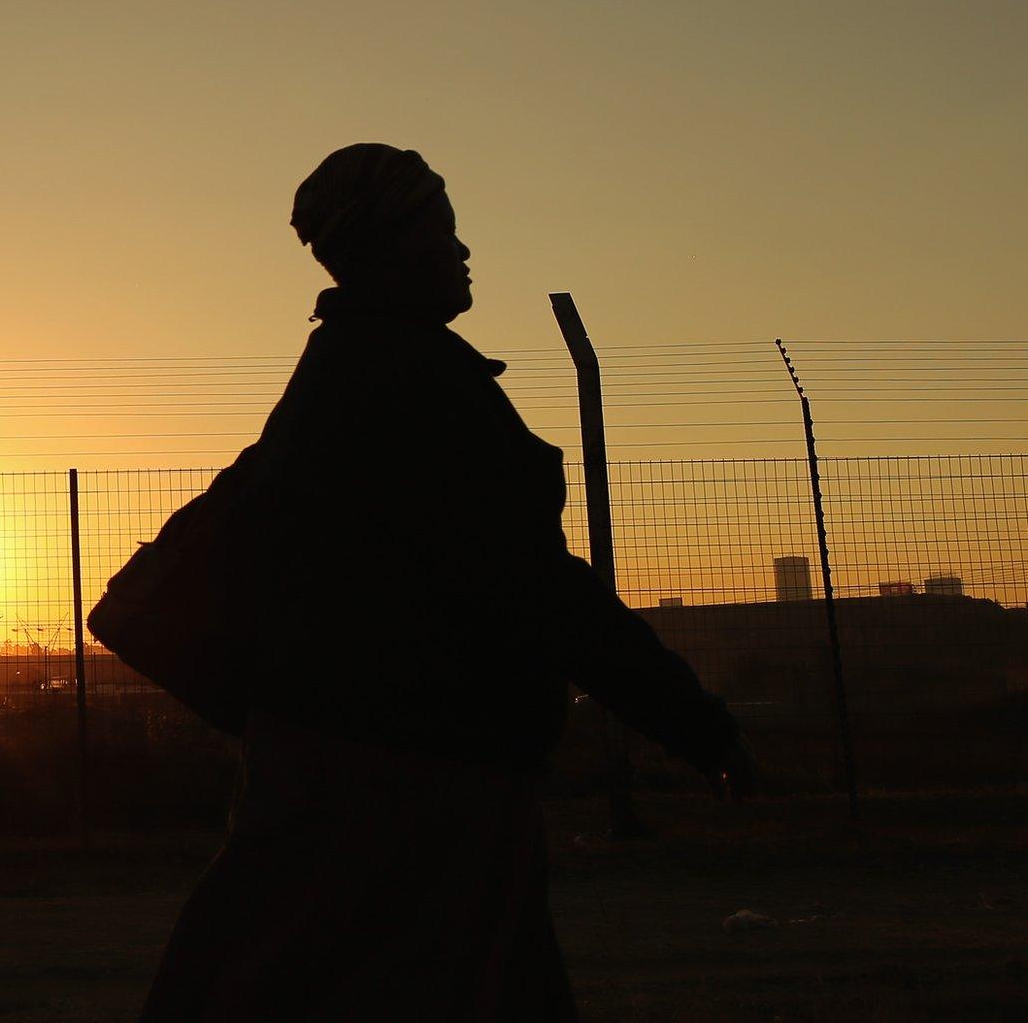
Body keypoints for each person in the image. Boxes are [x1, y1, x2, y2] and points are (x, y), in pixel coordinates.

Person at [140, 143, 752, 1022]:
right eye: (441, 229)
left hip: (346, 763)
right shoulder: (416, 389)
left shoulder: (346, 379)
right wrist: (695, 724)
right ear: (391, 246)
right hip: (417, 779)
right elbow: (537, 587)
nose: (462, 251)